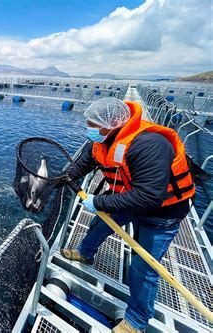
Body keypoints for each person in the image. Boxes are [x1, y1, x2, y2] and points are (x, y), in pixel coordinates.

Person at [61, 97, 195, 333]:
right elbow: (82, 164)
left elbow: (150, 196)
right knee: (98, 226)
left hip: (162, 213)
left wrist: (99, 201)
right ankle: (85, 254)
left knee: (144, 267)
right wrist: (60, 179)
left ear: (111, 123)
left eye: (93, 124)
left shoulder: (149, 144)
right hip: (128, 198)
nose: (89, 128)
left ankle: (136, 321)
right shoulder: (103, 140)